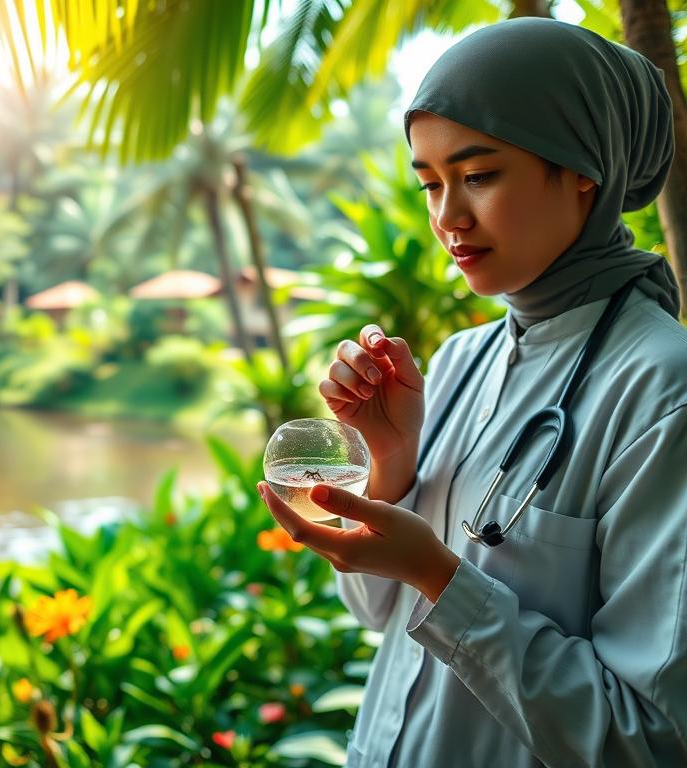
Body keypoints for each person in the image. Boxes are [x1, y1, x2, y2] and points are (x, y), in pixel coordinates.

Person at [256, 17, 687, 768]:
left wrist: (439, 574)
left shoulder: (660, 390)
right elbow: (376, 612)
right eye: (430, 183)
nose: (447, 218)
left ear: (583, 165)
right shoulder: (456, 363)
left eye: (478, 175)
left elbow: (650, 742)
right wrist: (388, 467)